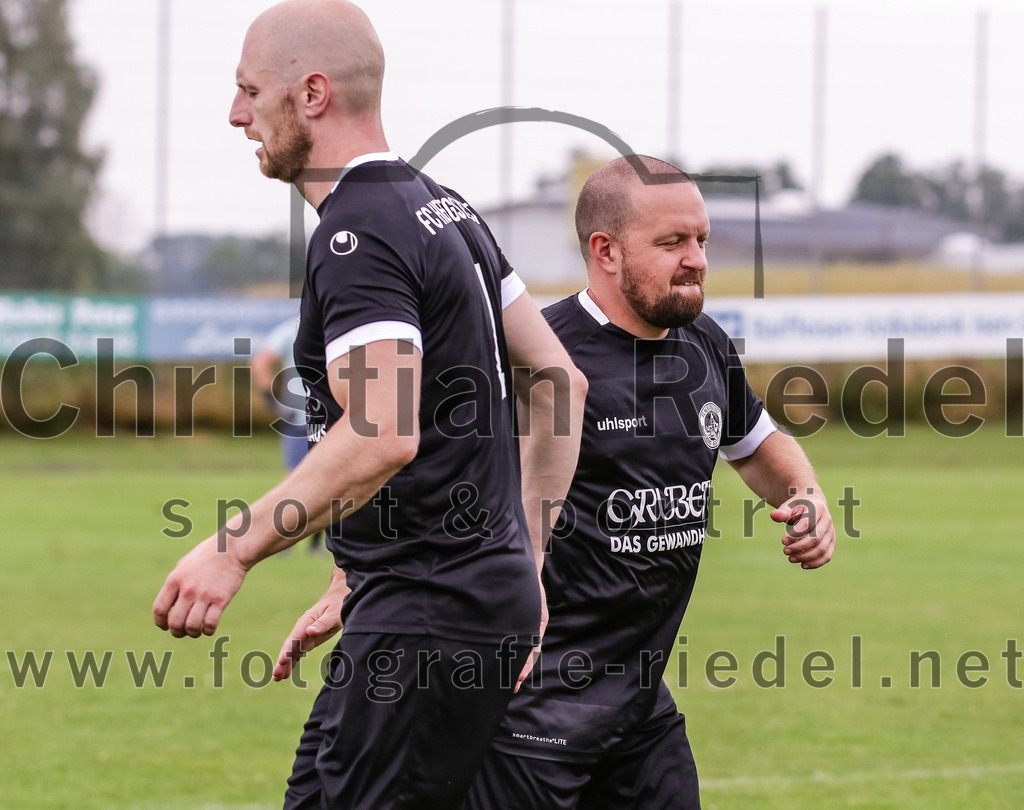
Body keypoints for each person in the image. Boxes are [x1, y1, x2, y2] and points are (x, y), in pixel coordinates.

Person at [277, 154, 837, 809]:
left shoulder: (705, 346)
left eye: (701, 240)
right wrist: (353, 580)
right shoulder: (539, 363)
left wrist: (805, 495)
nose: (696, 259)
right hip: (527, 706)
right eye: (672, 243)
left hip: (638, 706)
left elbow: (760, 445)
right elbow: (424, 476)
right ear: (605, 250)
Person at [152, 2, 587, 808]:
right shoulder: (444, 208)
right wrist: (510, 561)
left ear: (311, 93)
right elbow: (560, 380)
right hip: (437, 600)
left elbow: (384, 431)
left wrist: (230, 550)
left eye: (250, 91)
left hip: (429, 615)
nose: (236, 114)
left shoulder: (358, 231)